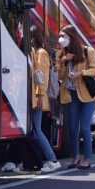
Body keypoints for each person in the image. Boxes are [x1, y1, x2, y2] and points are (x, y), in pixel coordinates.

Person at [56, 25, 95, 170]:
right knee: (72, 128)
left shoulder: (88, 51)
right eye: (60, 36)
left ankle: (87, 159)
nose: (61, 39)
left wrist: (80, 73)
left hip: (87, 95)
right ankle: (75, 157)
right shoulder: (60, 54)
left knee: (85, 129)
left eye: (64, 36)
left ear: (72, 37)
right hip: (70, 94)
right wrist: (63, 62)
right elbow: (60, 76)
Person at [29, 26, 60, 174]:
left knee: (37, 129)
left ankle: (52, 159)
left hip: (38, 97)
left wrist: (39, 95)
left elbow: (41, 77)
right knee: (36, 129)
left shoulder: (41, 53)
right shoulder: (39, 52)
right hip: (37, 96)